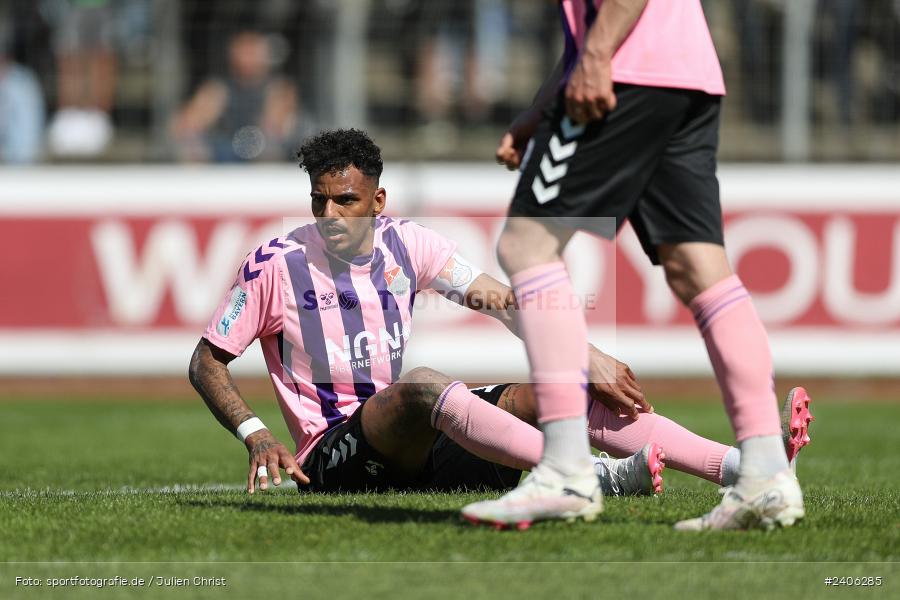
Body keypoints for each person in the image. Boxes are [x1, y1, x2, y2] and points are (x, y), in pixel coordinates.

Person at [189, 129, 812, 518]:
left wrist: (585, 356)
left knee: (564, 392)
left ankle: (747, 466)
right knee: (425, 385)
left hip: (421, 449)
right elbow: (205, 360)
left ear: (378, 203)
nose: (330, 213)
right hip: (333, 457)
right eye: (319, 200)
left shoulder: (410, 245)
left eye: (345, 200)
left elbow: (505, 300)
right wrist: (254, 433)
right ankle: (584, 475)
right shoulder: (276, 264)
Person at [461, 0, 809, 531]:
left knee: (527, 246)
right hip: (685, 74)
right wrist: (545, 103)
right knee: (698, 266)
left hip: (628, 68)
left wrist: (597, 57)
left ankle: (565, 472)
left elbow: (601, 25)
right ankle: (764, 473)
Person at [172, 30, 300, 162]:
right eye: (243, 50)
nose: (248, 57)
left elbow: (276, 127)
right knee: (192, 145)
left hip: (263, 151)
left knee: (271, 145)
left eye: (252, 51)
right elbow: (186, 124)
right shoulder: (218, 88)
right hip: (224, 151)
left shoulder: (278, 88)